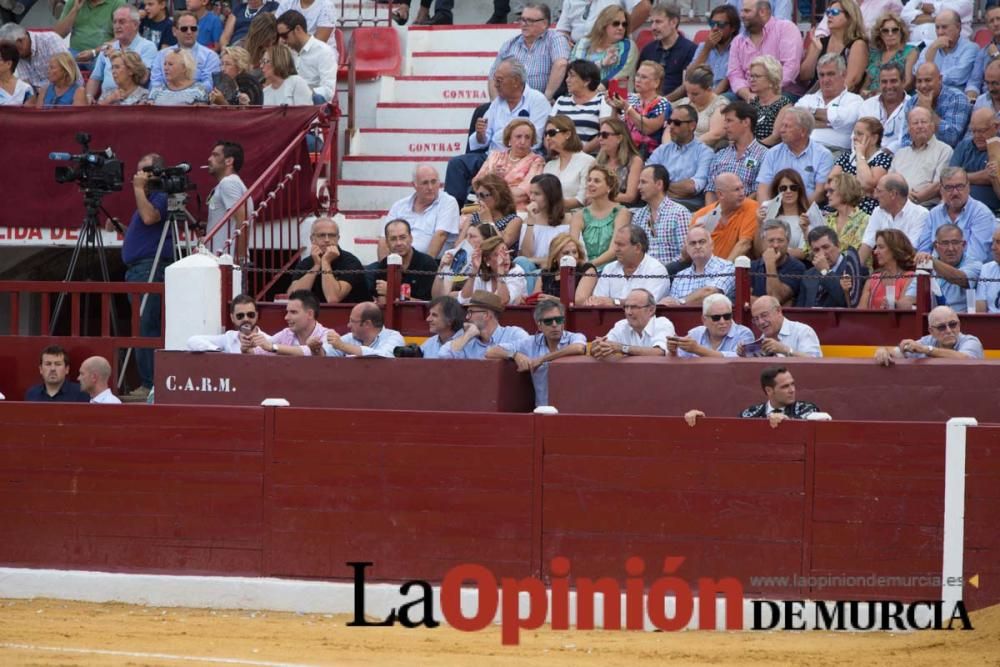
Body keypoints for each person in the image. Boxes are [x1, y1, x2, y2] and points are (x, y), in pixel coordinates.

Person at [444, 58, 549, 205]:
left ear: (516, 81)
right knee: (457, 164)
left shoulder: (537, 100)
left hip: (522, 157)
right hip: (492, 156)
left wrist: (508, 148)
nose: (495, 85)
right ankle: (453, 211)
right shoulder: (497, 103)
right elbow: (484, 139)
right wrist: (481, 134)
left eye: (499, 81)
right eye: (495, 80)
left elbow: (534, 138)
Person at [118, 153, 172, 400]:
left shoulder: (160, 196)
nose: (138, 175)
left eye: (144, 170)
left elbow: (150, 217)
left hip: (149, 267)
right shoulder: (148, 197)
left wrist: (138, 190)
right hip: (139, 267)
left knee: (144, 325)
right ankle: (148, 381)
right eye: (137, 171)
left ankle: (149, 383)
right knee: (143, 323)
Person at [486, 300, 586, 407]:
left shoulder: (574, 337)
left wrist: (542, 359)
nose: (554, 325)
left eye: (559, 320)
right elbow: (490, 351)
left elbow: (579, 348)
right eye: (548, 321)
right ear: (539, 325)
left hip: (572, 409)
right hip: (542, 409)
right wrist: (515, 355)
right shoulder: (531, 342)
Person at [488, 2, 569, 102]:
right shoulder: (510, 44)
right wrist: (496, 104)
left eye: (530, 21)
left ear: (544, 23)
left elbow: (561, 64)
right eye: (522, 19)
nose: (524, 24)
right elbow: (493, 76)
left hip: (543, 100)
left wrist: (546, 98)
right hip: (511, 101)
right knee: (481, 111)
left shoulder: (555, 39)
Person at [727, 0, 803, 103]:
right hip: (748, 92)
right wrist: (747, 95)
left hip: (781, 91)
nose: (742, 15)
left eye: (747, 11)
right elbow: (734, 74)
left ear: (762, 12)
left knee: (766, 108)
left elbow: (791, 67)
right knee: (721, 102)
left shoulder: (785, 29)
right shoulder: (738, 41)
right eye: (742, 11)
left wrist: (766, 89)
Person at [918, 166, 998, 264]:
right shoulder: (933, 214)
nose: (955, 192)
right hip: (935, 272)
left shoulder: (982, 214)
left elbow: (975, 258)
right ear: (941, 190)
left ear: (968, 187)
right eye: (949, 188)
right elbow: (923, 250)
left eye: (960, 186)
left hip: (968, 275)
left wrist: (942, 270)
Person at [756, 108, 835, 204]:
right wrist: (766, 210)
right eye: (782, 125)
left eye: (787, 126)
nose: (781, 130)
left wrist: (797, 211)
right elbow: (763, 188)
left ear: (802, 131)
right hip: (775, 210)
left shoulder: (823, 155)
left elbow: (820, 192)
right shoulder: (773, 153)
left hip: (807, 211)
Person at [382, 164, 461, 260]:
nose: (430, 187)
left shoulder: (448, 202)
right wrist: (384, 269)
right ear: (414, 185)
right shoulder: (399, 206)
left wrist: (425, 266)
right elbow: (384, 239)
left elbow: (441, 235)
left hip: (429, 263)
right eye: (425, 183)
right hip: (397, 261)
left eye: (434, 182)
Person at [645, 104, 714, 211]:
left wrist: (660, 187)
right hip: (658, 204)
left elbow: (692, 187)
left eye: (677, 123)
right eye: (669, 122)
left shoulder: (705, 153)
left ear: (692, 126)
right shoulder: (662, 150)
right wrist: (673, 189)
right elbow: (646, 179)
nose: (671, 127)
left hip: (688, 207)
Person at [288, 217, 371, 303]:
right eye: (321, 235)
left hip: (350, 314)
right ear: (312, 239)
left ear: (338, 238)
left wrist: (326, 262)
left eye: (331, 235)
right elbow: (294, 296)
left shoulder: (350, 261)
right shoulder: (305, 263)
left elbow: (333, 298)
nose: (327, 240)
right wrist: (316, 266)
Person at [84, 6, 157, 101]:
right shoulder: (107, 48)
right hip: (106, 100)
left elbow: (143, 78)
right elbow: (95, 78)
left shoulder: (147, 46)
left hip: (133, 100)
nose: (117, 26)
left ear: (135, 25)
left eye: (122, 22)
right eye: (114, 22)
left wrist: (115, 57)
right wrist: (89, 96)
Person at [794, 54, 864, 152]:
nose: (825, 80)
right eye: (822, 75)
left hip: (835, 152)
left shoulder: (855, 100)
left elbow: (842, 119)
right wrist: (831, 123)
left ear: (843, 75)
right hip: (802, 148)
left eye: (830, 74)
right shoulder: (807, 99)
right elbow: (794, 121)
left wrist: (810, 114)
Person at [584, 224, 669, 305]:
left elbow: (647, 304)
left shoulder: (656, 270)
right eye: (615, 244)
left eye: (620, 245)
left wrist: (615, 302)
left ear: (638, 248)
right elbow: (598, 300)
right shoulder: (609, 269)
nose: (616, 249)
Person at [799, 0, 868, 94]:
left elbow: (851, 81)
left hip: (842, 100)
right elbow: (804, 76)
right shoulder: (820, 42)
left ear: (850, 16)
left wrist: (828, 98)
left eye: (835, 12)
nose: (830, 16)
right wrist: (816, 51)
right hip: (815, 97)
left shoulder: (857, 44)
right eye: (828, 12)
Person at [474, 119, 545, 210]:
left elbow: (522, 194)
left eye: (527, 137)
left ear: (532, 142)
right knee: (465, 213)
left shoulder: (537, 161)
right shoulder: (495, 156)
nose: (523, 141)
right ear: (509, 140)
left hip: (514, 209)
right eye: (518, 137)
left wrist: (493, 188)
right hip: (485, 204)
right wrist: (492, 175)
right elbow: (476, 183)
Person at [705, 101, 769, 203]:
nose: (725, 126)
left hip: (747, 212)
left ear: (746, 122)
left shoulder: (765, 155)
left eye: (729, 121)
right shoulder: (720, 154)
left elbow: (758, 191)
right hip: (718, 212)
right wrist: (711, 213)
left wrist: (736, 210)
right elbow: (711, 189)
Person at [438, 290, 530, 360]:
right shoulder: (465, 338)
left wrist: (510, 354)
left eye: (470, 312)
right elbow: (443, 355)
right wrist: (467, 335)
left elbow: (531, 353)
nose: (466, 317)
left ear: (486, 315)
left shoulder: (513, 334)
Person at [874, 305, 984, 364]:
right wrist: (883, 351)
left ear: (959, 325)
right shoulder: (927, 341)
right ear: (931, 331)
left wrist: (927, 350)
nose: (949, 330)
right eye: (941, 327)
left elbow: (965, 359)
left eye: (953, 324)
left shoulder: (971, 341)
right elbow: (897, 352)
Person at [859, 173, 929, 265]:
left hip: (908, 270)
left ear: (893, 194)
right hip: (883, 270)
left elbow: (910, 250)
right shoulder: (878, 212)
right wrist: (853, 271)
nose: (875, 195)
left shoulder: (921, 214)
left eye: (879, 191)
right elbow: (867, 244)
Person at [570, 164, 631, 268]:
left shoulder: (621, 212)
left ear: (609, 187)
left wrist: (589, 266)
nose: (590, 184)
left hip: (612, 269)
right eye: (589, 180)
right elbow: (572, 247)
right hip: (585, 269)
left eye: (596, 181)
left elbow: (614, 250)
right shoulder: (579, 215)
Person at [827, 117, 891, 215]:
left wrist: (860, 154)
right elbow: (829, 184)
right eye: (854, 133)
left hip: (864, 210)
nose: (854, 137)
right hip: (839, 206)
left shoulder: (883, 158)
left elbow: (867, 184)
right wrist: (862, 191)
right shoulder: (846, 156)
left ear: (874, 139)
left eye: (859, 134)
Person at [891, 107, 953, 208]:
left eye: (924, 122)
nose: (920, 126)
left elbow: (939, 184)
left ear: (932, 126)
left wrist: (913, 199)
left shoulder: (944, 150)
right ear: (909, 129)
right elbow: (890, 183)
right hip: (896, 206)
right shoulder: (900, 154)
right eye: (915, 123)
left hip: (924, 208)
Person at [606, 60, 670, 157]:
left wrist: (627, 108)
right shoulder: (629, 98)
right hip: (623, 150)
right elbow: (614, 127)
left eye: (644, 77)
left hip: (648, 155)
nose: (638, 80)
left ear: (656, 82)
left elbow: (647, 129)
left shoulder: (663, 103)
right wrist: (614, 108)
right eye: (637, 75)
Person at [630, 164, 690, 266]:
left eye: (643, 182)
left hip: (671, 274)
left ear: (659, 184)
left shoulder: (680, 213)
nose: (638, 187)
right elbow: (634, 250)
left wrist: (662, 269)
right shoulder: (638, 215)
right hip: (642, 275)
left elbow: (686, 254)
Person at [915, 224, 982, 313]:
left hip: (961, 320)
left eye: (955, 242)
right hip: (931, 319)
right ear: (936, 246)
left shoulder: (975, 264)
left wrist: (933, 262)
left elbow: (962, 279)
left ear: (964, 244)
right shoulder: (926, 264)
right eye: (945, 243)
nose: (951, 248)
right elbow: (911, 296)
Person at [590, 288, 674, 358]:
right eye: (626, 307)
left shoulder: (663, 324)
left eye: (634, 307)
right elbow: (606, 345)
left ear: (651, 310)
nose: (628, 312)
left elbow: (659, 353)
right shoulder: (621, 325)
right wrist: (597, 346)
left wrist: (623, 348)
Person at [693, 172, 759, 262]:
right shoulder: (700, 215)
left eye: (742, 188)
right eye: (736, 190)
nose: (742, 193)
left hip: (732, 270)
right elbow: (686, 256)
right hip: (703, 268)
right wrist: (692, 235)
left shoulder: (751, 207)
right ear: (720, 194)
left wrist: (724, 270)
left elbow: (744, 244)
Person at [901, 63, 970, 148]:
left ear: (940, 79)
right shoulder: (912, 102)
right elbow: (905, 139)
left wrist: (928, 111)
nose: (923, 86)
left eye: (928, 80)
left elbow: (952, 138)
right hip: (916, 154)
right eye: (919, 81)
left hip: (945, 155)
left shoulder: (956, 98)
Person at [275, 9, 337, 103]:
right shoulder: (286, 52)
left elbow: (328, 91)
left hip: (313, 108)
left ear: (298, 29)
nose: (282, 40)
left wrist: (302, 93)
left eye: (284, 36)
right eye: (278, 36)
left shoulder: (324, 52)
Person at [150, 12, 221, 93]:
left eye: (193, 28)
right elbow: (155, 83)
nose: (189, 32)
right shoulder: (161, 55)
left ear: (198, 30)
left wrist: (184, 95)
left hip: (197, 102)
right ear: (174, 31)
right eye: (184, 29)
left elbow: (209, 84)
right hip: (165, 101)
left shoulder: (210, 56)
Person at [662, 226, 736, 304]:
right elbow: (672, 307)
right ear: (687, 249)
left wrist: (681, 302)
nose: (697, 246)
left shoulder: (727, 267)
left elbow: (711, 293)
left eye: (702, 242)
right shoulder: (680, 277)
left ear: (712, 245)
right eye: (693, 243)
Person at [797, 225, 867, 307]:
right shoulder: (808, 275)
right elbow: (800, 310)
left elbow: (847, 303)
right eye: (816, 250)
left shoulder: (855, 270)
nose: (822, 253)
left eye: (825, 247)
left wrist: (826, 273)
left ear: (838, 245)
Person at [551, 59, 612, 153]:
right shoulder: (561, 101)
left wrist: (579, 155)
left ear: (586, 81)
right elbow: (550, 131)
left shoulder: (602, 100)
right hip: (560, 156)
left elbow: (605, 132)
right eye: (567, 76)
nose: (567, 80)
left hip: (590, 157)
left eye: (572, 76)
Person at [570, 5, 638, 87]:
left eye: (624, 24)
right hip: (581, 94)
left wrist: (595, 90)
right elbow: (576, 70)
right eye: (616, 23)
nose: (621, 28)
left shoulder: (628, 46)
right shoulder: (584, 42)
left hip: (613, 96)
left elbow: (620, 72)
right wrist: (601, 63)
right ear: (603, 25)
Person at [637, 3, 695, 100]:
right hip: (645, 102)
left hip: (676, 103)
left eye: (658, 22)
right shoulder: (648, 50)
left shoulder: (690, 50)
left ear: (673, 22)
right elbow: (639, 80)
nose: (653, 27)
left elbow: (686, 86)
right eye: (652, 22)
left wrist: (662, 102)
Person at [913, 9, 977, 96]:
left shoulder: (970, 48)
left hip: (954, 98)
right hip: (926, 96)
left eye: (944, 27)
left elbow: (958, 76)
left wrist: (930, 78)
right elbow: (917, 74)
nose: (940, 32)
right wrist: (932, 50)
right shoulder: (930, 48)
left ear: (958, 27)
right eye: (937, 27)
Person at [668, 294, 754, 358]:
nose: (722, 321)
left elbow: (738, 360)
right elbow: (677, 362)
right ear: (704, 320)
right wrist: (673, 351)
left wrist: (697, 349)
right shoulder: (695, 334)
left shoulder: (743, 333)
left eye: (727, 316)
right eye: (716, 318)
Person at [374, 219, 440, 303]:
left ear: (411, 238)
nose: (398, 243)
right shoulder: (383, 265)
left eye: (403, 237)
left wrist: (392, 291)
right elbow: (382, 302)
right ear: (387, 243)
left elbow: (427, 304)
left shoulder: (427, 264)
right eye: (393, 239)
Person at [949, 110, 1000, 214]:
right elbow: (950, 178)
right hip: (956, 206)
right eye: (973, 131)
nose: (976, 136)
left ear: (996, 127)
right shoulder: (964, 146)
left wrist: (961, 177)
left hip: (989, 211)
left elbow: (993, 178)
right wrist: (983, 176)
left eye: (982, 131)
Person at [0, 23, 79, 90]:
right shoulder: (16, 53)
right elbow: (26, 85)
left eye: (11, 48)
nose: (8, 53)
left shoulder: (50, 40)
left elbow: (70, 74)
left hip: (64, 95)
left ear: (21, 41)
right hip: (37, 99)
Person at [249, 289, 328, 356]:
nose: (286, 317)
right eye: (287, 312)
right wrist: (246, 348)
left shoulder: (327, 335)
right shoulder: (286, 333)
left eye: (293, 312)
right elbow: (258, 351)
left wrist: (272, 347)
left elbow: (308, 351)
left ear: (310, 314)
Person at [205, 140, 251, 255]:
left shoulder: (228, 183)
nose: (209, 159)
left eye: (215, 155)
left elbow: (242, 220)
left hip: (226, 261)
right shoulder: (228, 183)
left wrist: (240, 258)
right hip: (222, 258)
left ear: (229, 161)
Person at [756, 168, 813, 258]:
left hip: (797, 267)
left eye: (793, 187)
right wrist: (759, 224)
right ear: (777, 190)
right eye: (783, 188)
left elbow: (803, 253)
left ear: (800, 190)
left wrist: (774, 250)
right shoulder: (767, 209)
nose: (788, 191)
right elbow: (759, 250)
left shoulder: (807, 216)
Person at [542, 115, 595, 210]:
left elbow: (582, 199)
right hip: (550, 215)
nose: (548, 138)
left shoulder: (587, 161)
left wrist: (552, 205)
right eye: (546, 134)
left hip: (576, 216)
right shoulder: (549, 165)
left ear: (567, 134)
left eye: (552, 133)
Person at [856, 61, 909, 154]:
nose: (889, 86)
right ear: (879, 83)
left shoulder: (912, 105)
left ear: (903, 81)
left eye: (893, 81)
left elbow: (904, 140)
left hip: (897, 159)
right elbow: (858, 135)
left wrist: (879, 157)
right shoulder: (867, 105)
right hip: (865, 157)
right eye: (884, 82)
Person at [745, 294, 823, 357]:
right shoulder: (761, 340)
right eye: (756, 319)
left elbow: (815, 362)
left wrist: (785, 350)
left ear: (778, 311)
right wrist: (744, 356)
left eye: (764, 315)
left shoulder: (802, 331)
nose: (760, 322)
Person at [186, 294, 269, 353]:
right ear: (232, 318)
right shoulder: (228, 338)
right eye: (240, 316)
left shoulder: (268, 340)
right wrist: (221, 353)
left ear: (257, 315)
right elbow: (193, 341)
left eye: (250, 314)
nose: (246, 319)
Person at [857, 228, 917, 310]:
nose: (875, 252)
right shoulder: (872, 279)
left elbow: (904, 310)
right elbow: (861, 312)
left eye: (881, 247)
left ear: (894, 250)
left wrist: (895, 304)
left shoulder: (909, 278)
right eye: (876, 247)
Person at [458, 236, 526, 307]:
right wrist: (474, 270)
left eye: (505, 252)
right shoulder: (481, 274)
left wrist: (500, 270)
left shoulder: (517, 271)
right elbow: (463, 300)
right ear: (487, 260)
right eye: (497, 255)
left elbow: (503, 301)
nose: (503, 257)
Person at [434, 222, 497, 298]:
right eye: (466, 236)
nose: (467, 240)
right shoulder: (453, 255)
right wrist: (442, 268)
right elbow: (438, 296)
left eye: (472, 236)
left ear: (486, 240)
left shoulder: (492, 261)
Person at [751, 219, 806, 305]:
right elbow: (744, 300)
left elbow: (776, 297)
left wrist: (770, 264)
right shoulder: (752, 267)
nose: (776, 245)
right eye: (771, 240)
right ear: (762, 242)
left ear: (788, 242)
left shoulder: (797, 267)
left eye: (780, 240)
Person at [520, 174, 571, 267]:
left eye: (537, 194)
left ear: (550, 195)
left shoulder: (569, 220)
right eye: (530, 193)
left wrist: (539, 261)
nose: (531, 198)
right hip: (532, 270)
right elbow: (525, 257)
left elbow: (571, 256)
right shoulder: (528, 220)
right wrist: (530, 222)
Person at [319, 303, 405, 358]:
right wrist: (317, 349)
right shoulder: (351, 337)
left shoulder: (394, 337)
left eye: (352, 321)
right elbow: (326, 354)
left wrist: (343, 347)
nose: (348, 325)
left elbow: (383, 356)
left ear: (367, 324)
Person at [465, 173, 523, 254]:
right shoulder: (473, 216)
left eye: (482, 195)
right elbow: (459, 244)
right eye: (477, 196)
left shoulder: (514, 220)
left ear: (497, 196)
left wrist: (488, 222)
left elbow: (502, 245)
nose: (478, 200)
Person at [689, 3, 739, 96]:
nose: (715, 28)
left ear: (733, 28)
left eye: (721, 24)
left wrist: (711, 99)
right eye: (712, 23)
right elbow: (690, 76)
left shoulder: (738, 47)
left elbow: (729, 80)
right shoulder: (703, 46)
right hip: (701, 94)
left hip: (725, 96)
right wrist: (706, 49)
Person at [861, 13, 916, 95]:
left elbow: (909, 82)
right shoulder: (875, 55)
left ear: (902, 32)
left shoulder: (910, 51)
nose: (890, 34)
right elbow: (865, 86)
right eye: (885, 31)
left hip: (897, 97)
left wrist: (883, 95)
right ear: (880, 34)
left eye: (895, 30)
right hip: (871, 100)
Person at [738, 366, 820, 421]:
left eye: (792, 384)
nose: (792, 390)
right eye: (785, 386)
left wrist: (786, 420)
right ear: (769, 390)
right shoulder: (749, 414)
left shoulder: (807, 408)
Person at [55, 0, 127, 62]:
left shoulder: (118, 3)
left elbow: (121, 37)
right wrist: (75, 9)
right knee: (57, 65)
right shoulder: (74, 2)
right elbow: (58, 35)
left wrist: (94, 52)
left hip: (103, 53)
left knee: (108, 65)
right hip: (75, 53)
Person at [531, 232, 595, 302]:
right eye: (566, 253)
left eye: (574, 252)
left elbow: (580, 301)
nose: (572, 256)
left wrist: (554, 300)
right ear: (555, 257)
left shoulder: (587, 269)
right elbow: (536, 298)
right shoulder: (546, 273)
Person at [675, 66, 728, 149]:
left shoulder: (720, 105)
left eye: (695, 94)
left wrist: (688, 146)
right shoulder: (685, 102)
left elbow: (716, 134)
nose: (690, 97)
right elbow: (669, 128)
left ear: (709, 90)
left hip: (703, 150)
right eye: (688, 92)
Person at [555, 0, 652, 45]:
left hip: (611, 50)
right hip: (577, 53)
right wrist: (565, 43)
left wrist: (623, 31)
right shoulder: (570, 1)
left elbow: (644, 7)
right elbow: (562, 31)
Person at [594, 116, 643, 205]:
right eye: (599, 135)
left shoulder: (634, 161)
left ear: (619, 138)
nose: (600, 139)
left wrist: (601, 195)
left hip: (622, 209)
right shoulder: (598, 162)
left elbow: (630, 197)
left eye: (605, 135)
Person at [747, 55, 792, 146]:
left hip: (767, 152)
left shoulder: (784, 104)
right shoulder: (751, 102)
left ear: (772, 80)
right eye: (751, 76)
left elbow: (775, 138)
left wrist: (752, 150)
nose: (752, 80)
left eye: (757, 76)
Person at [820, 173, 870, 255]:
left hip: (854, 266)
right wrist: (805, 230)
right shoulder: (828, 219)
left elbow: (854, 252)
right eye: (827, 191)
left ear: (844, 191)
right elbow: (813, 252)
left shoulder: (865, 220)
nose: (827, 195)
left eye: (831, 191)